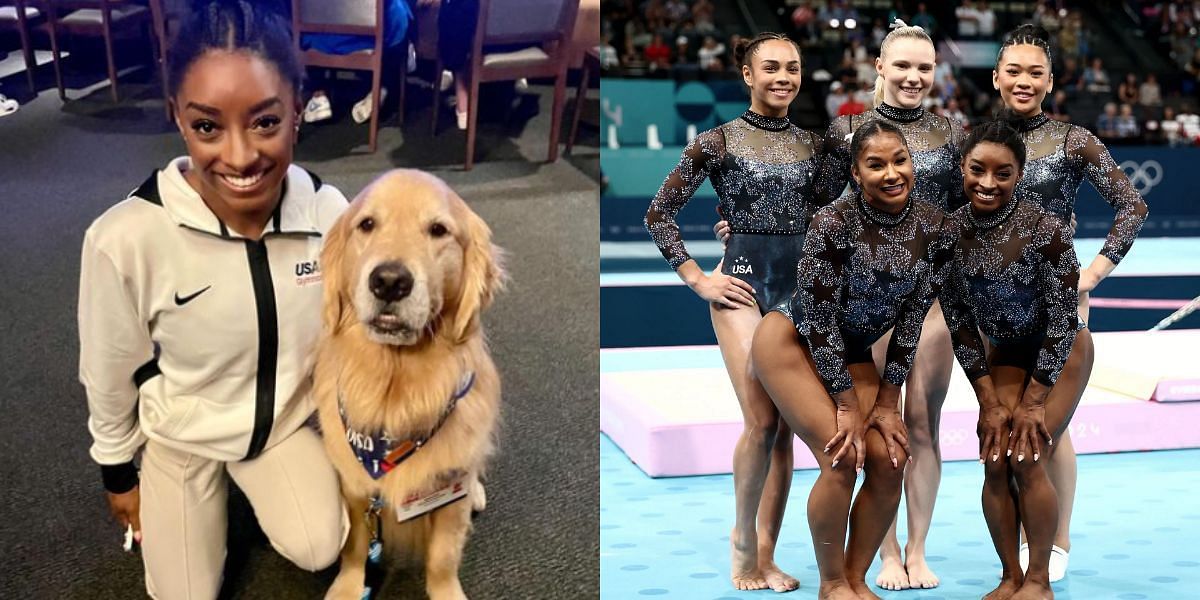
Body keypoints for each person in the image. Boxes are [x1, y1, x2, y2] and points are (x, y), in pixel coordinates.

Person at [78, 2, 350, 598]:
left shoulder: (330, 217)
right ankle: (184, 485)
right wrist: (118, 473)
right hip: (184, 433)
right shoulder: (124, 238)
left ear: (298, 111)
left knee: (320, 546)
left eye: (265, 122)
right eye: (208, 127)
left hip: (279, 426)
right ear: (178, 118)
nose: (240, 156)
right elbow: (108, 369)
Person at [644, 32, 822, 594]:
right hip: (742, 288)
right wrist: (698, 278)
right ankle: (743, 544)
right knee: (761, 420)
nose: (782, 78)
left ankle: (768, 552)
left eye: (791, 68)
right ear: (747, 75)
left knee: (789, 429)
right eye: (770, 67)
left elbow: (837, 209)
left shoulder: (817, 146)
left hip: (800, 291)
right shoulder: (717, 142)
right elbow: (659, 213)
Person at [750, 120, 956, 600]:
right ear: (855, 172)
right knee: (842, 455)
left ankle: (856, 577)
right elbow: (819, 323)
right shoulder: (833, 223)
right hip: (792, 341)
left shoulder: (934, 227)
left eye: (899, 160)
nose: (891, 173)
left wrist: (887, 401)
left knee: (890, 457)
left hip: (855, 351)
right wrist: (847, 405)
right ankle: (831, 583)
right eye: (876, 164)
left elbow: (911, 319)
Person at [992, 23, 1149, 582]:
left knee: (1050, 429)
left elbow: (1132, 206)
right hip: (991, 305)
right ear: (996, 77)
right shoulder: (978, 139)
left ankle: (1056, 541)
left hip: (1058, 305)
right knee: (1008, 422)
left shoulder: (1073, 140)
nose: (1024, 81)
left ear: (1051, 80)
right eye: (1014, 70)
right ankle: (1018, 539)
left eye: (1036, 72)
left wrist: (1094, 273)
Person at [940, 119, 1094, 600]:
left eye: (1003, 174)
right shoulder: (949, 235)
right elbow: (960, 323)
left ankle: (1039, 581)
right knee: (993, 458)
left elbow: (1064, 319)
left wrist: (1032, 402)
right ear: (961, 168)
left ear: (1020, 174)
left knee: (1027, 457)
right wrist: (989, 400)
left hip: (1062, 349)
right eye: (977, 170)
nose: (988, 183)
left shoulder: (1045, 230)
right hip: (1005, 352)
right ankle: (1009, 576)